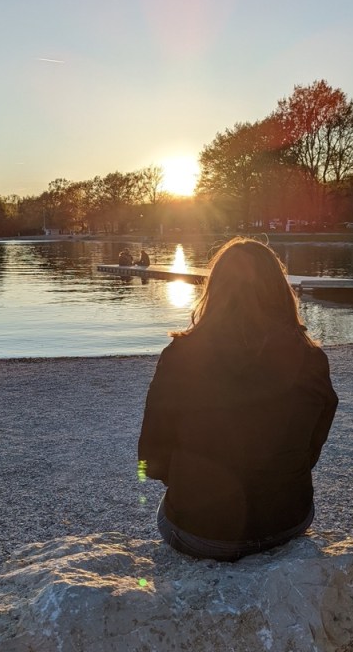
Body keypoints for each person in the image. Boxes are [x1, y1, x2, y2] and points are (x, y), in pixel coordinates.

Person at [138, 237, 338, 562]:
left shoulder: (180, 357)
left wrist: (185, 482)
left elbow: (149, 456)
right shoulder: (311, 359)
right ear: (279, 290)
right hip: (287, 521)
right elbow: (313, 444)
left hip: (200, 532)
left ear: (215, 290)